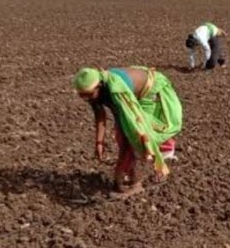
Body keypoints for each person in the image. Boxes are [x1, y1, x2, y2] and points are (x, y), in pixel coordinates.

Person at [73, 66, 183, 199]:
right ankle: (133, 177)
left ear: (100, 86)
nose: (86, 98)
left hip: (150, 90)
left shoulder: (115, 91)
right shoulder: (94, 89)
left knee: (135, 137)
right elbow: (99, 114)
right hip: (133, 92)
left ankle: (139, 179)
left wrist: (117, 179)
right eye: (82, 95)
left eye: (89, 94)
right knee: (126, 138)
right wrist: (99, 142)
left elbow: (127, 130)